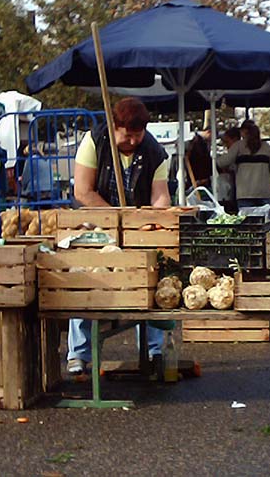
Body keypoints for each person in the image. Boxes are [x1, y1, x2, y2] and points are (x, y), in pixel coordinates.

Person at [68, 98, 171, 376]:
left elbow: (160, 196)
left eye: (138, 135)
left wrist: (153, 222)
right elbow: (83, 191)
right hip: (95, 224)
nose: (133, 141)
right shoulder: (93, 141)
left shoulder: (155, 153)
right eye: (127, 134)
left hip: (136, 228)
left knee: (149, 276)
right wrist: (116, 216)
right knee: (84, 276)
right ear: (115, 127)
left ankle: (154, 349)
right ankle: (78, 354)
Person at [216, 119, 270, 208]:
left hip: (244, 194)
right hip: (264, 194)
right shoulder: (267, 148)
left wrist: (214, 160)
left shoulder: (238, 146)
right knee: (265, 221)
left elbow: (222, 162)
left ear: (244, 132)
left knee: (247, 221)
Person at [215, 127, 241, 210]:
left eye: (227, 142)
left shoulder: (237, 152)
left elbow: (220, 163)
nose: (226, 145)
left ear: (235, 140)